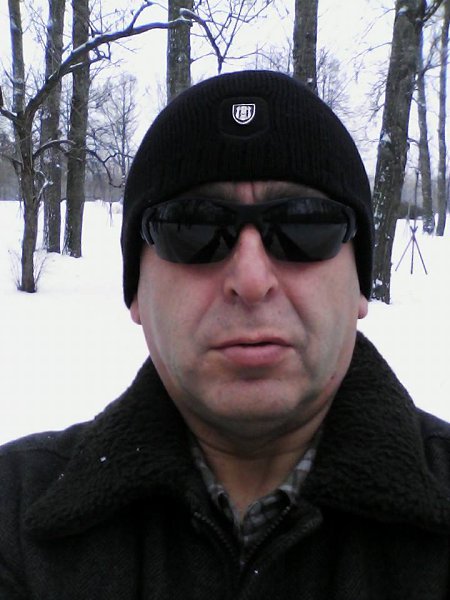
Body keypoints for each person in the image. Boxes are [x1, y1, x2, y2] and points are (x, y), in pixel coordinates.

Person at [1, 70, 449, 600]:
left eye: (305, 225)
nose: (252, 281)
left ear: (359, 285)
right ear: (137, 292)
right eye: (193, 227)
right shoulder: (16, 517)